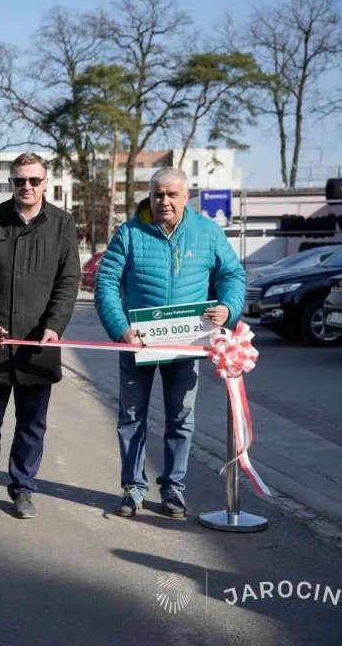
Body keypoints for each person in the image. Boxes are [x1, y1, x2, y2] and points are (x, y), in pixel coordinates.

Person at [94, 167, 245, 518]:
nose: (164, 201)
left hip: (186, 345)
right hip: (138, 343)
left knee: (181, 419)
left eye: (172, 194)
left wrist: (227, 307)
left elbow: (233, 275)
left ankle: (173, 490)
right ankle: (133, 489)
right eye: (158, 194)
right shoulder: (130, 233)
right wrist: (120, 329)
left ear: (185, 196)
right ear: (149, 195)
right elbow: (106, 284)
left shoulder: (207, 233)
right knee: (132, 417)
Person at [0, 152, 80, 519]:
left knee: (31, 426)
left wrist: (54, 326)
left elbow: (68, 281)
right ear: (10, 183)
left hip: (37, 347)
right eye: (20, 180)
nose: (27, 186)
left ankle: (23, 489)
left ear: (46, 182)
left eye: (34, 180)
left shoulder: (62, 224)